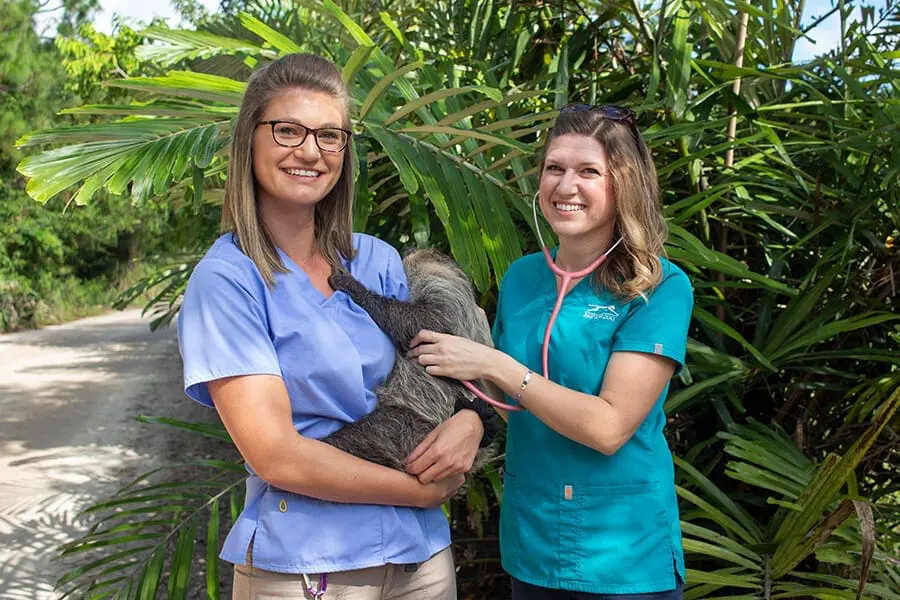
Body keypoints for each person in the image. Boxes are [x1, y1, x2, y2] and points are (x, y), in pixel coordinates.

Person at [177, 53, 495, 600]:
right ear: (248, 140)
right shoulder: (227, 280)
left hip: (419, 557)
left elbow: (453, 369)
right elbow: (274, 454)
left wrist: (473, 421)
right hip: (309, 563)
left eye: (329, 136)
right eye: (287, 130)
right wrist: (416, 490)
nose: (310, 151)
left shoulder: (376, 260)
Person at [408, 104, 693, 599]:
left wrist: (494, 364)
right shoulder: (522, 278)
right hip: (533, 539)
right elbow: (495, 392)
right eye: (554, 168)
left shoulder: (659, 287)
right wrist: (472, 418)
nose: (566, 186)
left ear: (623, 184)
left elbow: (608, 428)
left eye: (589, 171)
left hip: (622, 554)